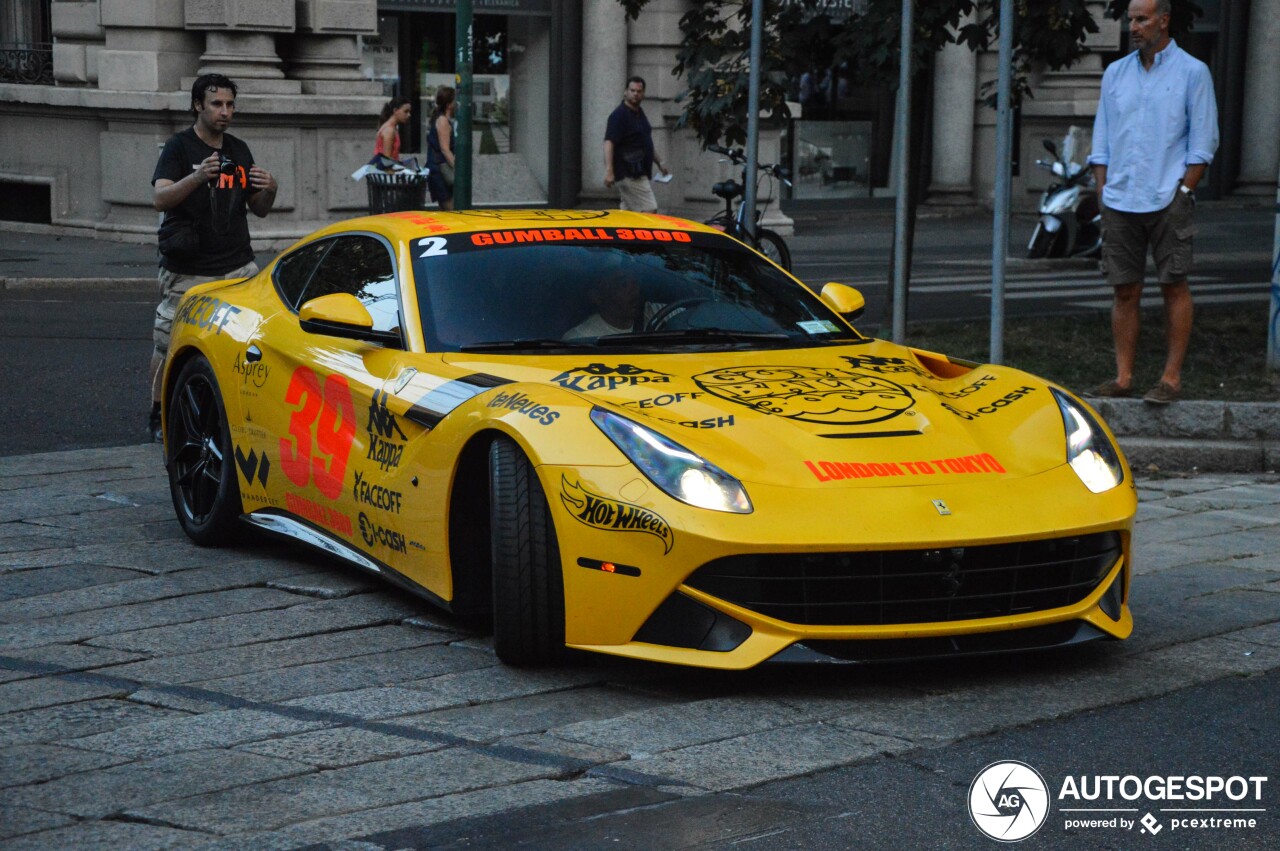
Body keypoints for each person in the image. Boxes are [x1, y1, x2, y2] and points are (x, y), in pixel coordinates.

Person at [1085, 0, 1218, 405]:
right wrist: (1103, 190)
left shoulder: (1193, 72)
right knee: (1124, 289)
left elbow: (1204, 141)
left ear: (1164, 20)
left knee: (1174, 284)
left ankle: (1170, 379)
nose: (1134, 27)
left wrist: (1184, 192)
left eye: (1142, 19)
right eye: (1131, 19)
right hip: (1121, 199)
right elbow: (1102, 138)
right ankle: (1124, 377)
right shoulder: (1116, 74)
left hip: (1168, 197)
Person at [149, 73, 277, 441]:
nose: (225, 112)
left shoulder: (238, 149)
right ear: (198, 106)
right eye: (217, 104)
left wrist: (271, 188)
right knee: (168, 343)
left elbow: (260, 209)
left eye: (230, 104)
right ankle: (159, 415)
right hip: (188, 270)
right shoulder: (179, 148)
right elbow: (160, 198)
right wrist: (196, 178)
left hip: (238, 266)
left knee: (248, 345)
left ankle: (231, 412)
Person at [603, 77, 670, 213]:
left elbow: (646, 143)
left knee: (628, 214)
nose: (635, 94)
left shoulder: (639, 113)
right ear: (625, 92)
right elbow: (609, 142)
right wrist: (609, 171)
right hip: (628, 173)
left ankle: (620, 233)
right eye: (632, 90)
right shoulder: (619, 115)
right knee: (649, 208)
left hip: (639, 171)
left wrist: (660, 162)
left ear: (643, 93)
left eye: (639, 91)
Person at [426, 87, 457, 210]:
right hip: (440, 171)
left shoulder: (438, 118)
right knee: (451, 211)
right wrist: (457, 169)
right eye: (455, 101)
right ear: (449, 104)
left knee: (445, 210)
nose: (457, 104)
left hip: (436, 169)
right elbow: (445, 149)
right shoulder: (443, 121)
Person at [375, 96, 412, 162]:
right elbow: (387, 160)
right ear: (395, 111)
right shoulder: (389, 130)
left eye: (409, 112)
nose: (409, 115)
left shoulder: (392, 128)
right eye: (405, 111)